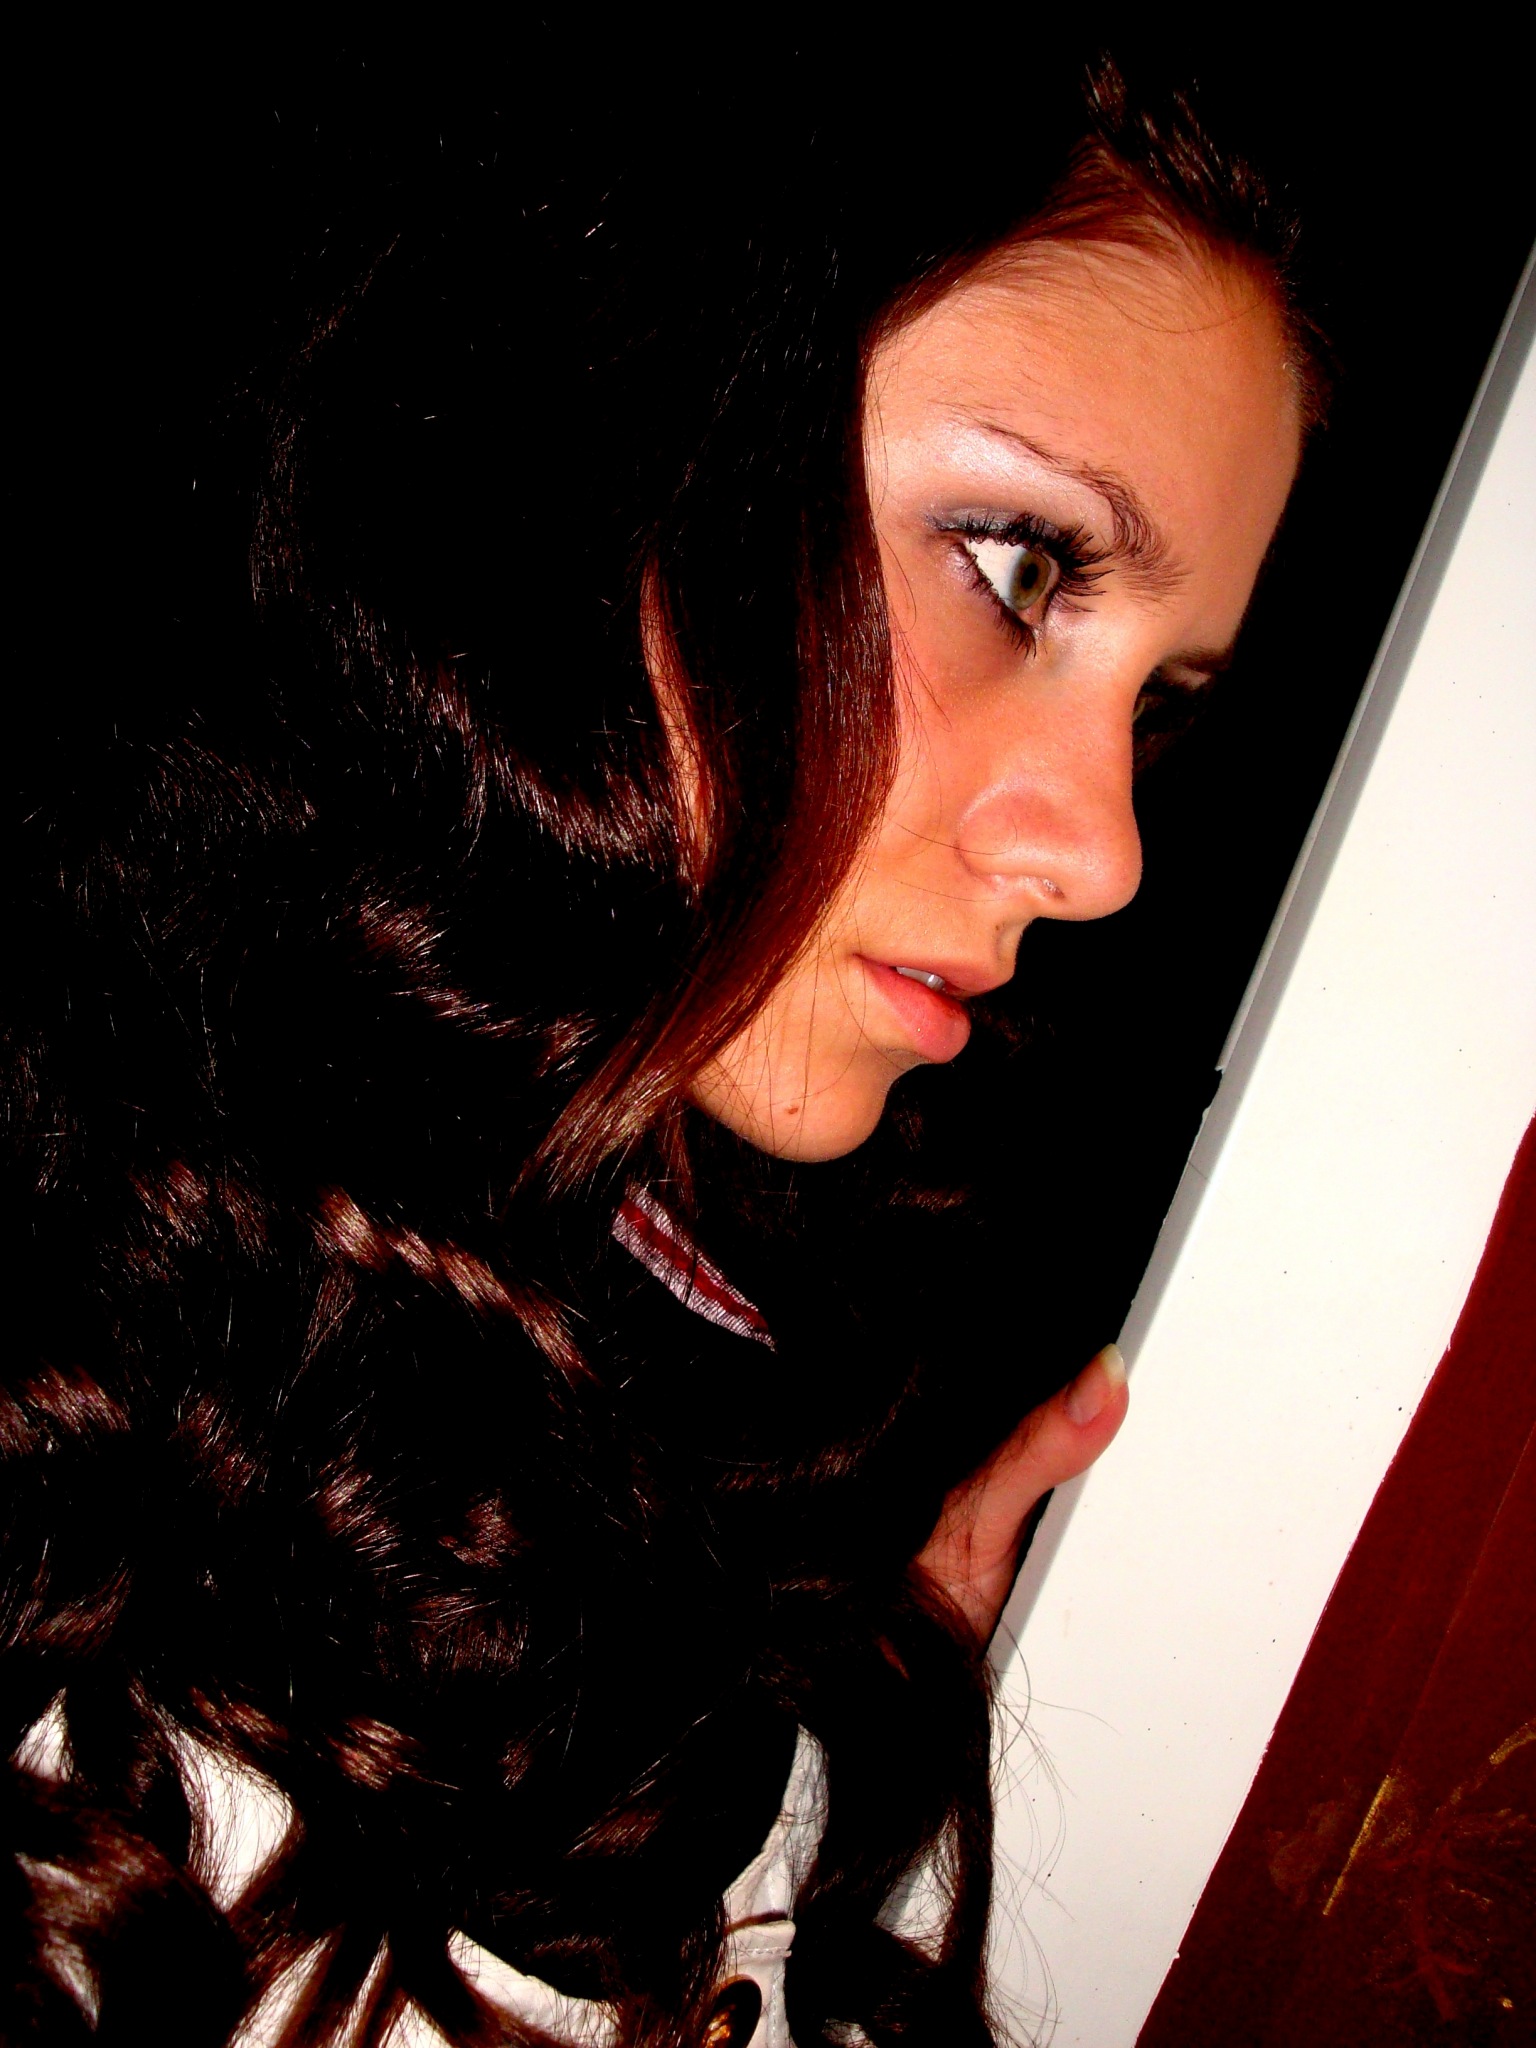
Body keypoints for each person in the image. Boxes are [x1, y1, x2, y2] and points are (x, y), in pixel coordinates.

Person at [2, 38, 1316, 2047]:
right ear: (596, 422)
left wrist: (827, 1763)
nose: (1105, 852)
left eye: (1158, 702)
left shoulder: (647, 1285)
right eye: (1016, 564)